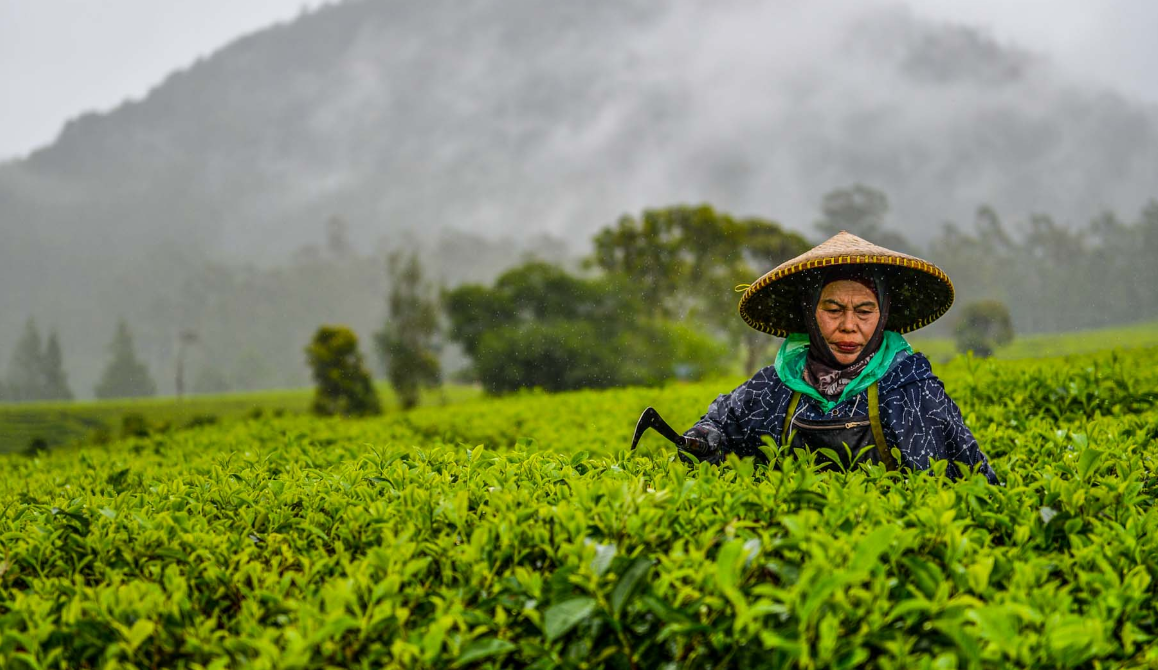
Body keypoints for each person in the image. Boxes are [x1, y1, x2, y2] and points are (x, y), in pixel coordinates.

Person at [682, 231, 998, 484]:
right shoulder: (771, 389)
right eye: (833, 310)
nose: (849, 325)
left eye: (864, 311)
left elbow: (974, 480)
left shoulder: (913, 391)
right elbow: (718, 426)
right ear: (809, 312)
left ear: (883, 314)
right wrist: (704, 439)